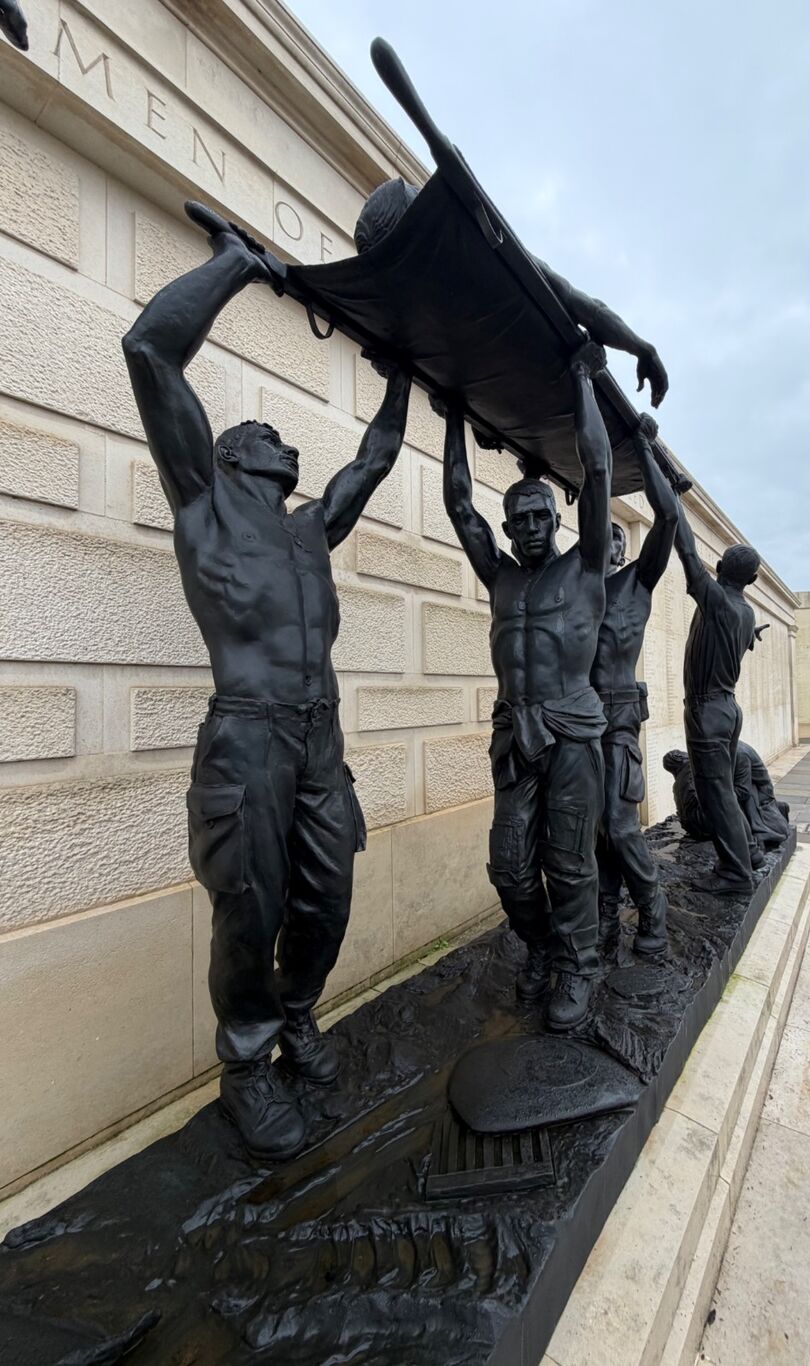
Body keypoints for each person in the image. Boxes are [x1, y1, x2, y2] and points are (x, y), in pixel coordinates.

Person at [122, 203, 411, 1162]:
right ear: (232, 453)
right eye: (267, 433)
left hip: (321, 737)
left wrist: (404, 370)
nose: (285, 442)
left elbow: (374, 458)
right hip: (247, 736)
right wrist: (235, 265)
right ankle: (246, 1066)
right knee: (250, 905)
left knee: (327, 895)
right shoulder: (203, 501)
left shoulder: (309, 528)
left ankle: (298, 1016)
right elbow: (149, 351)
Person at [438, 341, 613, 1031]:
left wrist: (583, 379)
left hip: (571, 730)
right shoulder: (502, 577)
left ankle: (579, 965)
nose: (533, 527)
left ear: (557, 520)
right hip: (515, 733)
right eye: (521, 519)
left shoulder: (586, 569)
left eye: (543, 516)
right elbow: (459, 504)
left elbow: (598, 470)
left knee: (568, 863)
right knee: (509, 866)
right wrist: (454, 414)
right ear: (509, 527)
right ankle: (541, 948)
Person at [355, 178, 669, 408]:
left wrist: (643, 349)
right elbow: (585, 307)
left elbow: (584, 306)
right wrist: (643, 349)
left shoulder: (491, 264)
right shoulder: (497, 260)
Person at [592, 416, 679, 959]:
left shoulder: (636, 584)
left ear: (623, 551)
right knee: (594, 828)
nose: (605, 541)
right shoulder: (573, 589)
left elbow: (667, 516)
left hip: (619, 721)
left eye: (615, 537)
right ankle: (604, 916)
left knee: (621, 825)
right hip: (578, 722)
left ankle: (652, 908)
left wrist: (645, 449)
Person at [673, 495, 762, 895]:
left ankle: (735, 874)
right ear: (752, 581)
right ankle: (749, 851)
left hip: (708, 710)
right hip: (727, 709)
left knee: (716, 795)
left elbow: (686, 549)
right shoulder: (746, 612)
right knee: (722, 790)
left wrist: (673, 500)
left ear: (720, 567)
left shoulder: (717, 601)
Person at [663, 743, 790, 859]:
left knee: (734, 798)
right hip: (706, 817)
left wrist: (717, 798)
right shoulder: (712, 756)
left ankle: (758, 831)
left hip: (758, 795)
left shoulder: (740, 753)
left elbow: (743, 791)